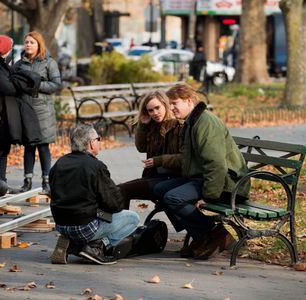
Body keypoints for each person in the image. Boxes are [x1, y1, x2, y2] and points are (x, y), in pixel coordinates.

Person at [153, 84, 251, 259]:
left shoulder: (205, 123)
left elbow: (217, 165)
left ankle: (216, 233)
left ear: (189, 101)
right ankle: (203, 237)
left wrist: (209, 196)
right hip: (205, 178)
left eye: (175, 103)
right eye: (170, 104)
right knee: (159, 189)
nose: (171, 108)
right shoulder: (193, 121)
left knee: (173, 197)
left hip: (228, 184)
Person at [49, 123, 140, 265]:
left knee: (99, 213)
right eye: (98, 139)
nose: (99, 141)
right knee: (133, 218)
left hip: (61, 224)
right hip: (84, 225)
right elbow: (114, 204)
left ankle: (71, 243)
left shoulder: (58, 164)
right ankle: (95, 247)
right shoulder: (95, 166)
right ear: (91, 143)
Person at [0, 35, 42, 187]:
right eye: (9, 48)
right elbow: (7, 87)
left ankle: (1, 181)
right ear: (5, 50)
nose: (11, 51)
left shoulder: (2, 64)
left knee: (4, 148)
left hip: (5, 114)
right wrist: (16, 83)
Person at [118, 90, 184, 209]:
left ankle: (122, 225)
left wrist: (159, 160)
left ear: (165, 104)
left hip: (173, 178)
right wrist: (143, 126)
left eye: (157, 108)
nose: (155, 113)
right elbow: (141, 148)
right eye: (150, 110)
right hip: (155, 176)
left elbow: (184, 158)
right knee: (118, 189)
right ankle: (120, 224)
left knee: (121, 190)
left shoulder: (178, 126)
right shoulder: (153, 126)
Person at [14, 31, 61, 194]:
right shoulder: (19, 64)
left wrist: (36, 84)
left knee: (42, 146)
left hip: (43, 110)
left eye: (31, 42)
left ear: (38, 44)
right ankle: (27, 181)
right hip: (26, 109)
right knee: (29, 146)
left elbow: (56, 84)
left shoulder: (49, 63)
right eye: (26, 42)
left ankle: (46, 182)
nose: (28, 45)